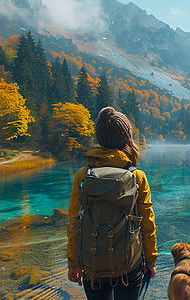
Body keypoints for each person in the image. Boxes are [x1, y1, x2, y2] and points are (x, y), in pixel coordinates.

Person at [67, 106, 157, 299]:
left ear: (100, 139)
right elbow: (147, 224)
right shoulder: (136, 176)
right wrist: (151, 261)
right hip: (129, 267)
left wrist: (73, 263)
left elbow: (74, 222)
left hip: (92, 268)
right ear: (127, 138)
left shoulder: (83, 175)